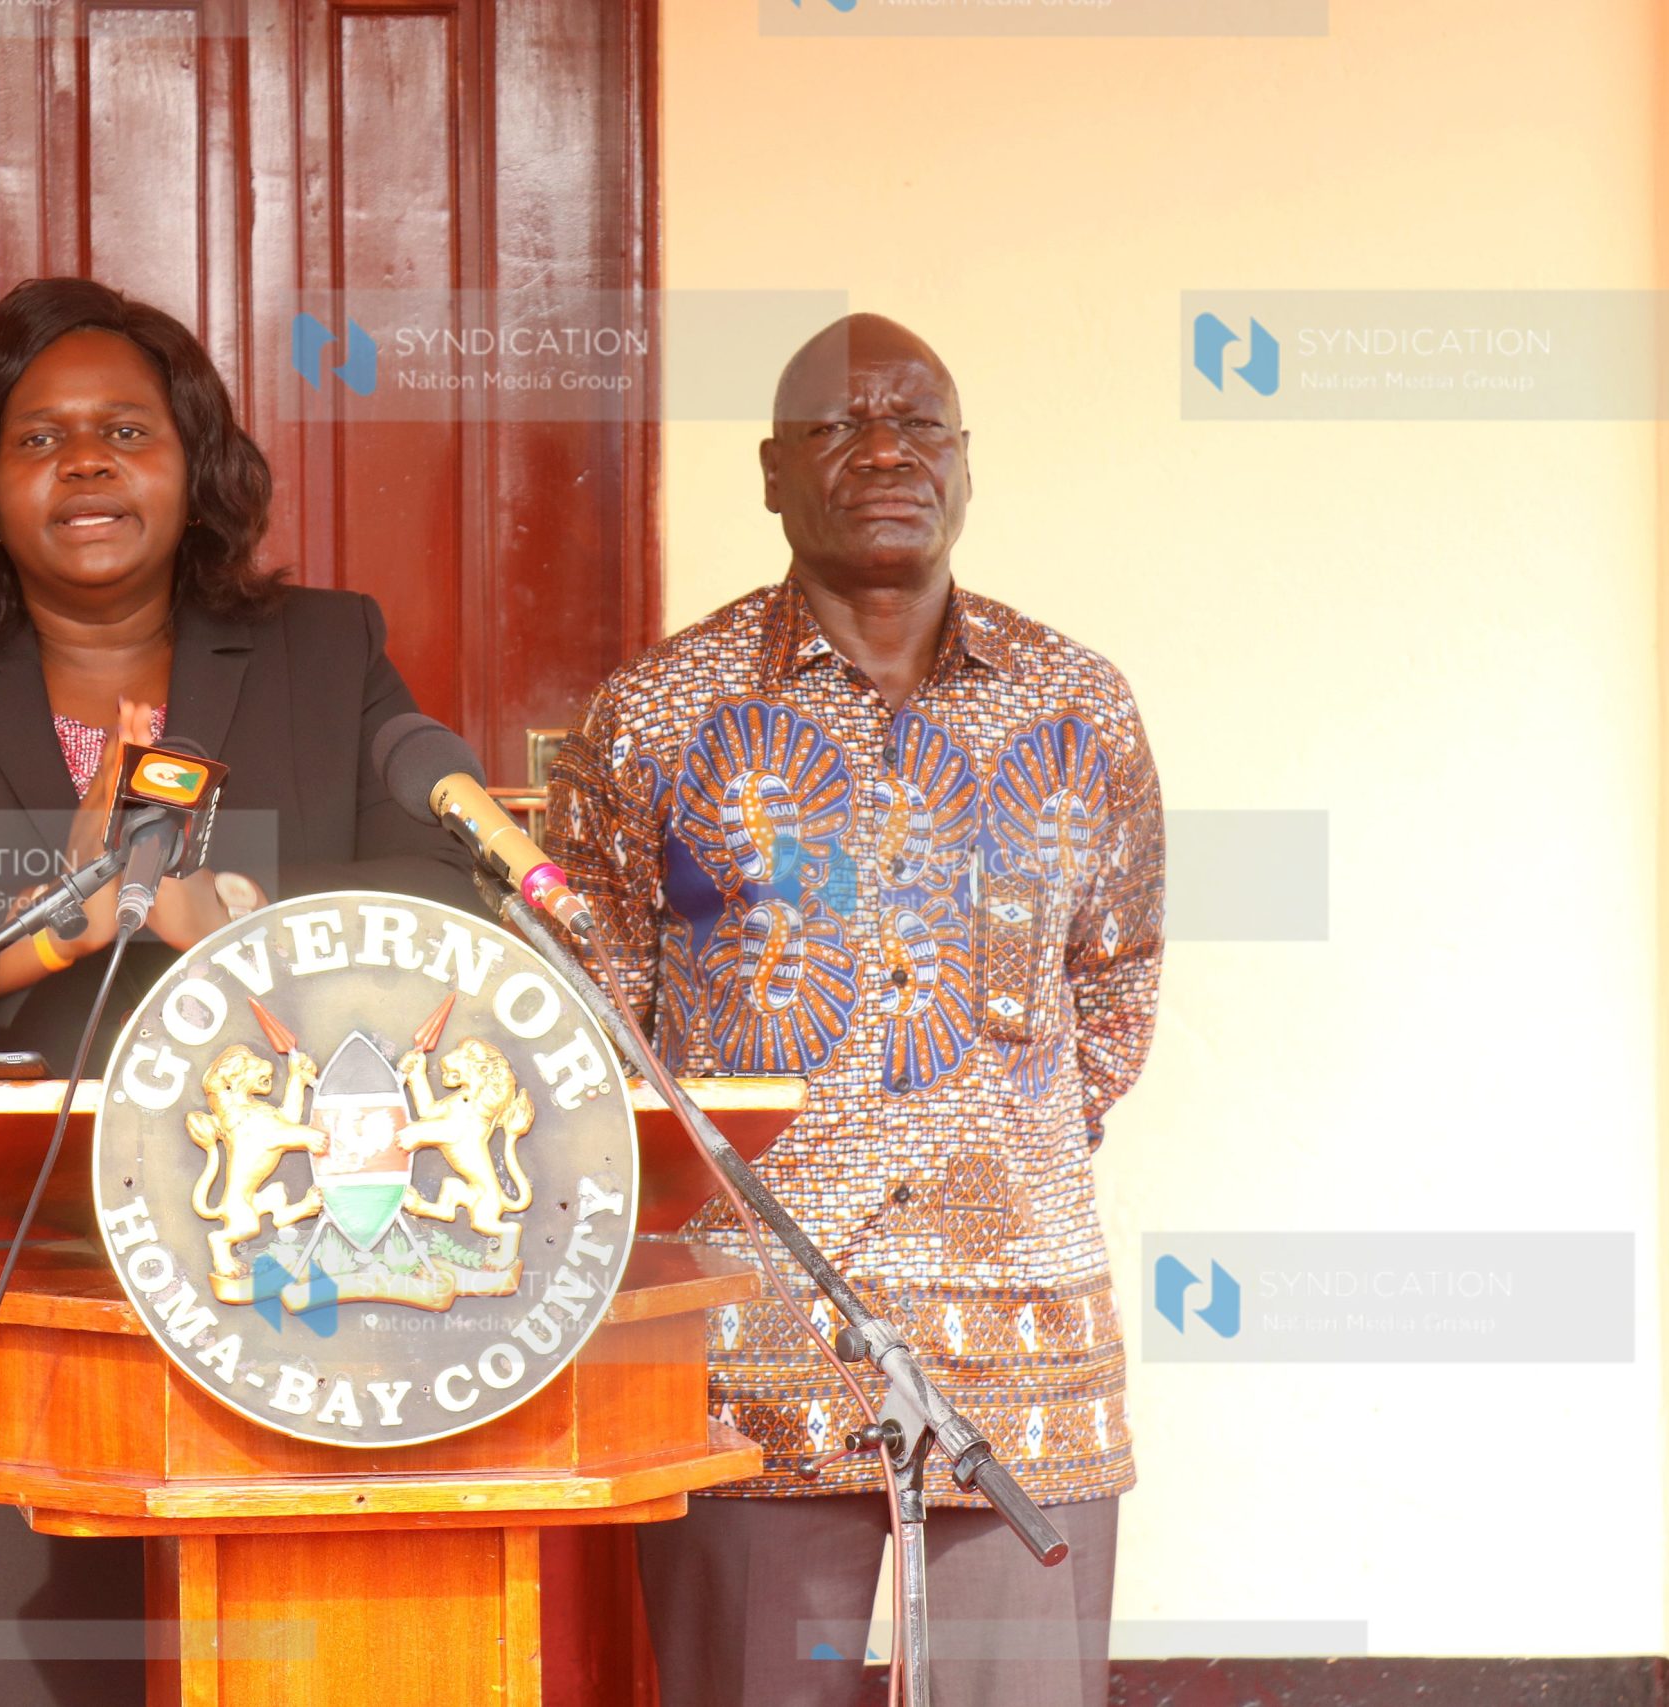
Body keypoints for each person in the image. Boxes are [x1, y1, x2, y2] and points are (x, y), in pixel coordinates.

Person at [0, 276, 479, 1706]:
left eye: (127, 431)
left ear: (193, 467)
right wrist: (56, 929)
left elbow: (439, 902)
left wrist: (219, 916)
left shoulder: (325, 651)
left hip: (288, 1290)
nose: (85, 465)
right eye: (37, 439)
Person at [543, 313, 1164, 1707]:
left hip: (1030, 1347)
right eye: (837, 425)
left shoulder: (1081, 704)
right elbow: (597, 1022)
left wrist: (1004, 1151)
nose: (886, 451)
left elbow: (1116, 989)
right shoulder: (656, 714)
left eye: (920, 425)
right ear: (770, 472)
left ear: (965, 463)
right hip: (747, 1351)